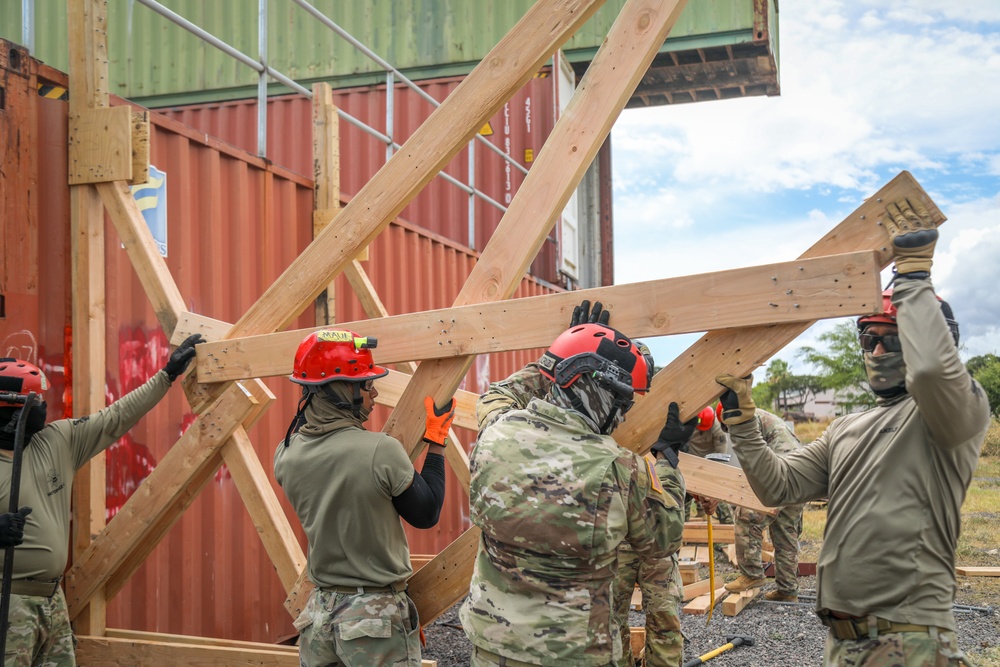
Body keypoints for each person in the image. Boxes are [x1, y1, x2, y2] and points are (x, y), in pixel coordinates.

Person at [716, 197, 989, 666]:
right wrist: (742, 423)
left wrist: (913, 277)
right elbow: (777, 485)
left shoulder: (951, 414)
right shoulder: (846, 428)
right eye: (869, 339)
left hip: (910, 639)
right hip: (844, 641)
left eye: (892, 338)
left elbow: (932, 374)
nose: (877, 350)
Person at [461, 301, 687, 667]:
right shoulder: (620, 469)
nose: (623, 412)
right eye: (622, 400)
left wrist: (558, 356)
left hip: (493, 646)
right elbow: (665, 535)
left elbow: (496, 396)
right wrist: (669, 462)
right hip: (574, 653)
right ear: (598, 393)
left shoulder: (496, 435)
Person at [0, 335, 203, 667]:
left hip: (53, 604)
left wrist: (167, 374)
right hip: (8, 607)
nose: (42, 407)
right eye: (34, 401)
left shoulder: (57, 441)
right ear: (10, 410)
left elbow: (116, 417)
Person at [274, 329, 455, 667]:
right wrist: (436, 442)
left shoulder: (285, 454)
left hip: (318, 619)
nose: (374, 394)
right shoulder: (379, 451)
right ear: (343, 389)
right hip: (373, 622)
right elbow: (427, 512)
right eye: (366, 385)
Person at [612, 402, 700, 667]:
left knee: (664, 622)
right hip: (621, 540)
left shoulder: (672, 418)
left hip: (656, 540)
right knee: (610, 624)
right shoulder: (616, 419)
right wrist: (667, 453)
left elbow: (698, 474)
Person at [715, 402, 804, 602]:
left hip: (781, 469)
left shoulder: (745, 418)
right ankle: (787, 590)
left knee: (747, 515)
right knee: (786, 530)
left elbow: (754, 458)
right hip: (799, 472)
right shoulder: (761, 418)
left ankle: (752, 575)